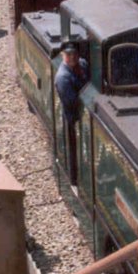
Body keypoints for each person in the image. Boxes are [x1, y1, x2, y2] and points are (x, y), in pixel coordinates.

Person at [54, 42, 89, 185]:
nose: (73, 57)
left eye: (74, 54)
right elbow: (72, 102)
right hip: (73, 118)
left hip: (81, 110)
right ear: (63, 55)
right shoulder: (63, 77)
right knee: (74, 148)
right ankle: (74, 178)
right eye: (69, 55)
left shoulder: (82, 64)